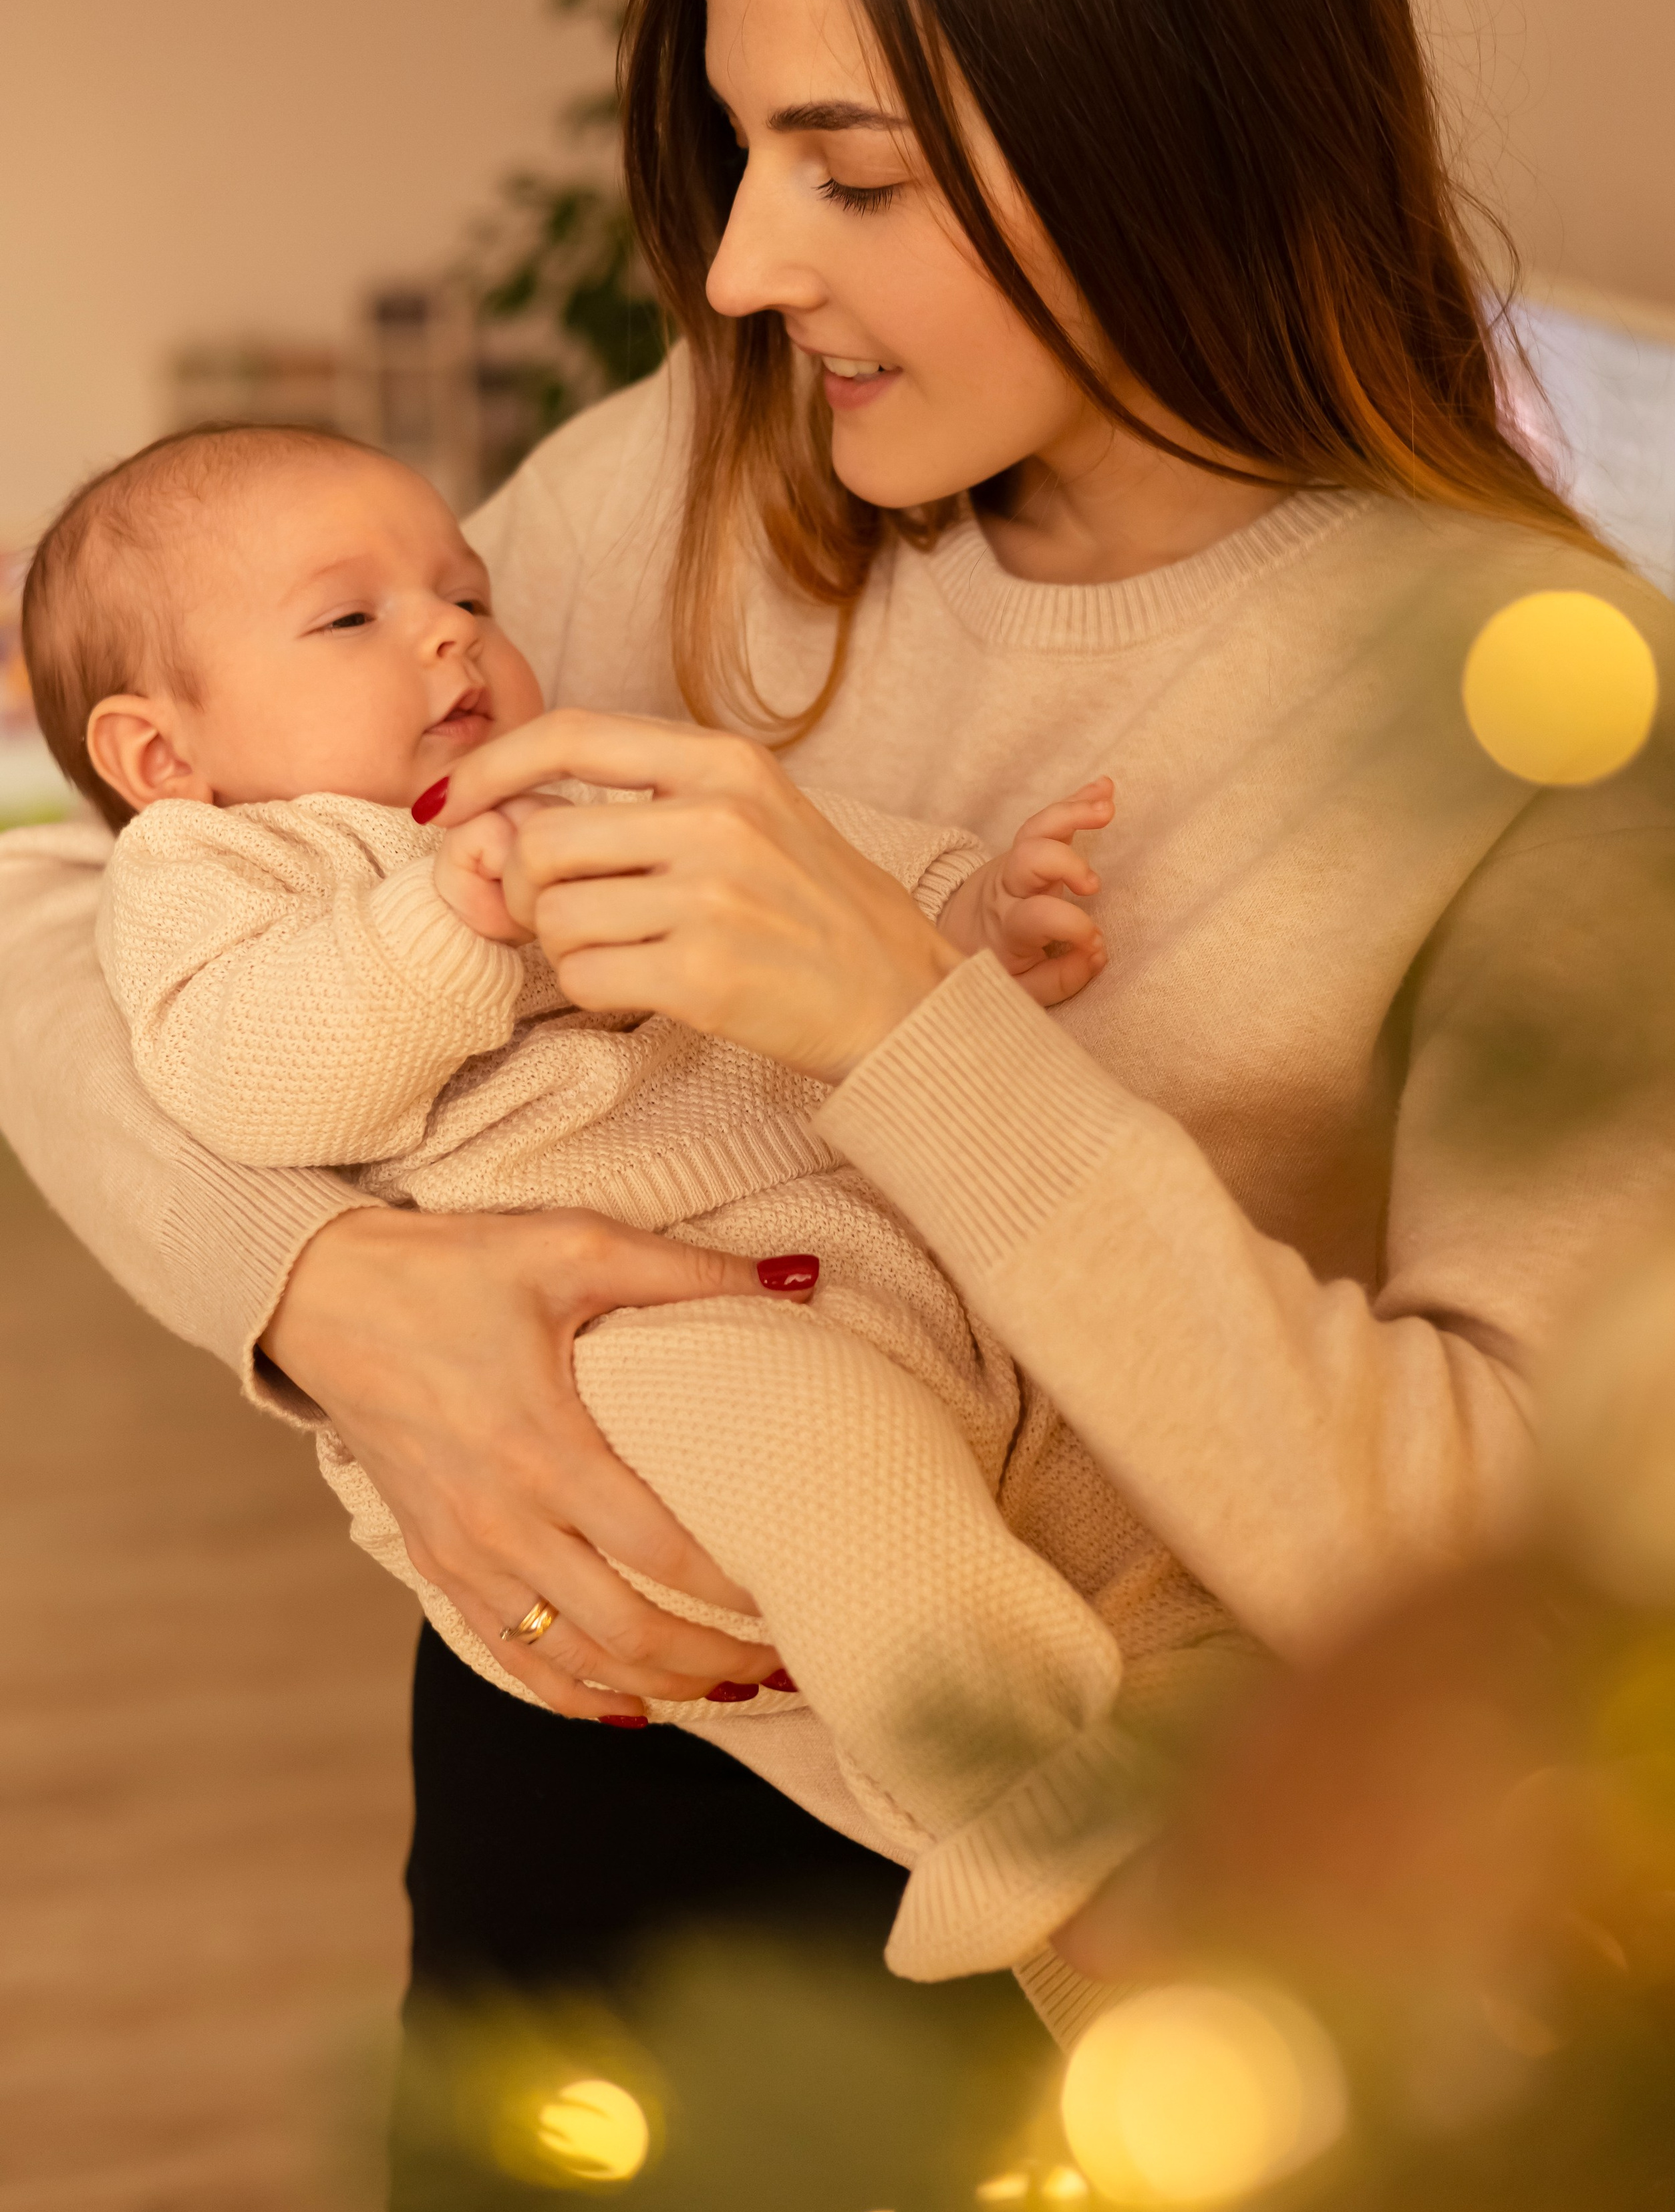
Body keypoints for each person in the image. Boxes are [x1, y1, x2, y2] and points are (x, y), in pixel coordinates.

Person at [2, 0, 1675, 2212]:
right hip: (584, 1845)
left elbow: (1510, 1581)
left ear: (1165, 125)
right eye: (740, 148)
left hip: (1147, 1938)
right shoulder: (672, 483)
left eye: (854, 172)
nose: (736, 266)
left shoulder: (1541, 713)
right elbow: (90, 883)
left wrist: (916, 1032)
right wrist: (333, 1296)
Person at [27, 416, 1143, 1983]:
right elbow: (248, 1075)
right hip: (611, 1346)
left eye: (466, 596)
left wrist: (961, 915)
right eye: (349, 618)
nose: (447, 632)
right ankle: (1029, 1803)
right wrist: (444, 922)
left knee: (1105, 1477)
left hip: (859, 1256)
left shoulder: (558, 780)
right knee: (837, 1474)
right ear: (162, 758)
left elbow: (793, 865)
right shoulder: (222, 872)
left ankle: (1198, 1750)